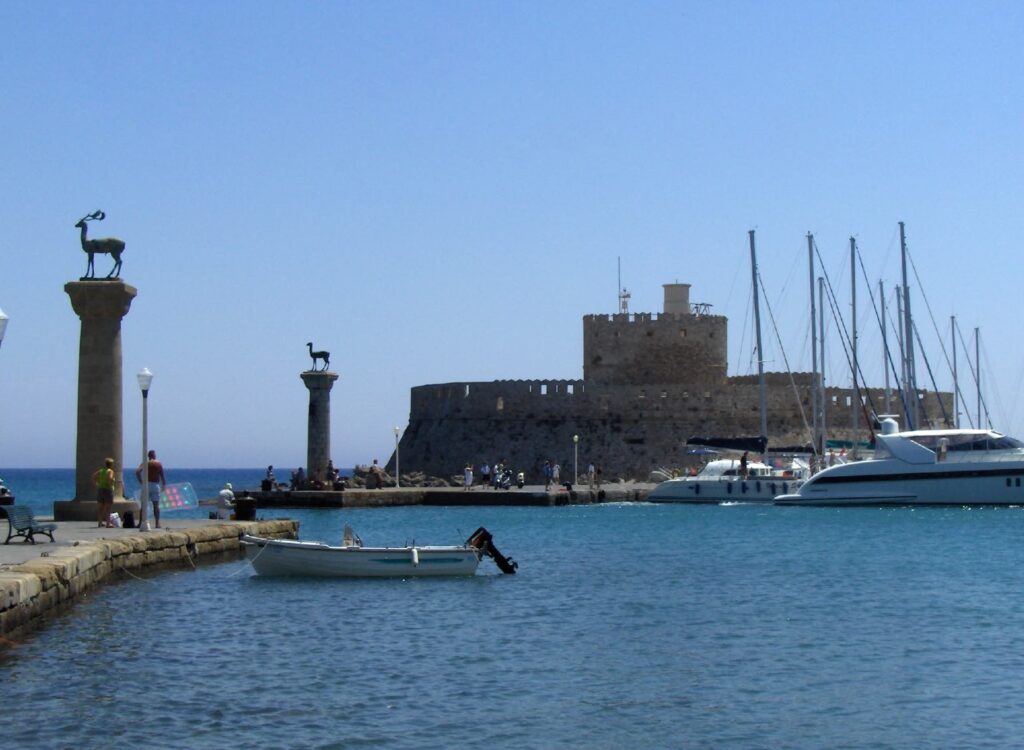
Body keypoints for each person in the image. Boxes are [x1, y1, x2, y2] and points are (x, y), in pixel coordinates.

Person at [135, 449, 167, 529]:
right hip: (155, 485)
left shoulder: (145, 463)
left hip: (147, 484)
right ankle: (157, 523)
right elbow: (162, 477)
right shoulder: (158, 464)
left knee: (143, 505)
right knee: (156, 505)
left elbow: (137, 472)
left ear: (148, 456)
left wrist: (141, 482)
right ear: (154, 455)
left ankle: (140, 523)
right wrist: (164, 486)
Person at [93, 457, 117, 528]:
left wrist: (97, 484)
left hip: (101, 489)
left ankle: (100, 522)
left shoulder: (101, 470)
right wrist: (110, 485)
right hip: (107, 490)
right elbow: (109, 478)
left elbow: (94, 476)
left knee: (101, 507)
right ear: (111, 464)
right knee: (108, 508)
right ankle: (108, 523)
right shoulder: (110, 471)